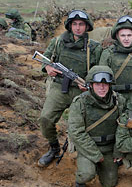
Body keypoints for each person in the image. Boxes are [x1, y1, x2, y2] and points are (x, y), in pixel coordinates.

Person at [37, 9, 102, 169]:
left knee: (79, 126)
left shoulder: (93, 48)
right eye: (75, 24)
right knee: (45, 119)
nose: (78, 28)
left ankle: (84, 156)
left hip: (81, 91)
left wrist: (89, 85)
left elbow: (98, 71)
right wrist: (47, 68)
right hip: (59, 87)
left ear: (87, 27)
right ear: (69, 26)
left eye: (81, 24)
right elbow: (46, 59)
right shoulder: (58, 42)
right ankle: (54, 147)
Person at [67, 65, 123, 187]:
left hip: (109, 147)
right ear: (91, 85)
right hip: (88, 148)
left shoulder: (119, 101)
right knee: (87, 174)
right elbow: (76, 132)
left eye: (105, 84)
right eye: (98, 84)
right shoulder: (80, 103)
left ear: (110, 85)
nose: (102, 87)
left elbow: (123, 127)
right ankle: (80, 181)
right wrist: (95, 155)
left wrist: (117, 150)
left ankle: (102, 167)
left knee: (110, 183)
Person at [98, 15, 132, 96]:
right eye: (123, 35)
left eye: (129, 35)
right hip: (115, 97)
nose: (126, 39)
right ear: (117, 36)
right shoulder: (108, 53)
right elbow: (102, 79)